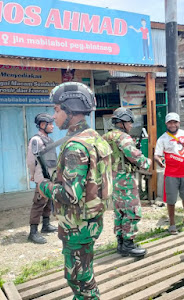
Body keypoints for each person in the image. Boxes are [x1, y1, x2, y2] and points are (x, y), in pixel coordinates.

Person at [38, 82, 112, 299]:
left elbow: (70, 194)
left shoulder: (75, 147)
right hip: (89, 220)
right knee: (83, 273)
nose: (54, 116)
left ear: (70, 110)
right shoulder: (94, 138)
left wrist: (43, 185)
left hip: (77, 225)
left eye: (57, 110)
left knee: (79, 278)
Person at [103, 108, 151, 257]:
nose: (130, 126)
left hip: (110, 180)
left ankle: (121, 242)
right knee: (131, 211)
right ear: (122, 122)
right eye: (129, 122)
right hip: (124, 180)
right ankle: (128, 244)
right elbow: (135, 157)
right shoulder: (123, 138)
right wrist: (147, 162)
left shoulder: (105, 137)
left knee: (119, 211)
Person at [154, 112, 184, 235]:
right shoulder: (162, 138)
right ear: (166, 124)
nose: (172, 125)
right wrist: (159, 162)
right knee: (171, 200)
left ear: (179, 123)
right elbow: (157, 155)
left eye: (175, 122)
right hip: (171, 175)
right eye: (170, 122)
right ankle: (172, 224)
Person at [26, 113, 58, 244]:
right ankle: (33, 232)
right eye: (50, 124)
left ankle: (46, 225)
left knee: (49, 200)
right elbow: (30, 160)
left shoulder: (48, 139)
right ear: (42, 125)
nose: (52, 126)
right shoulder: (36, 140)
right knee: (39, 202)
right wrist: (33, 174)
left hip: (51, 176)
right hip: (41, 176)